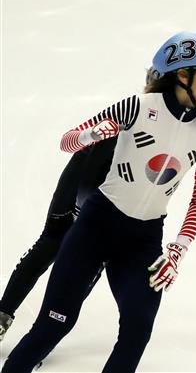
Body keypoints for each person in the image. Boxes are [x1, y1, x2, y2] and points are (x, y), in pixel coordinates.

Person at [2, 30, 196, 373]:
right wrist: (92, 134)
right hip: (95, 224)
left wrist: (177, 250)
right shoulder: (136, 107)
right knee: (54, 322)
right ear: (183, 74)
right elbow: (67, 141)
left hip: (144, 240)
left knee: (138, 330)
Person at [0, 139, 116, 343]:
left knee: (87, 268)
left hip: (121, 188)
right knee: (50, 244)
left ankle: (43, 335)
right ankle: (4, 317)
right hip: (88, 167)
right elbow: (71, 140)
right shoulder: (130, 113)